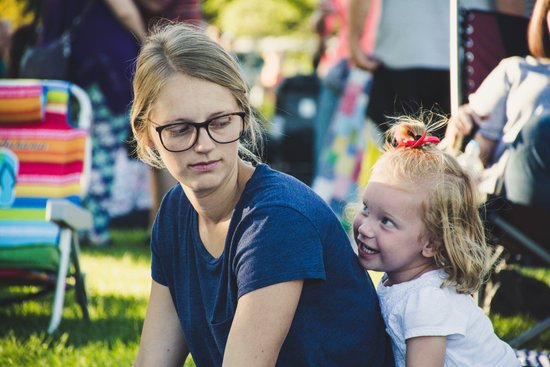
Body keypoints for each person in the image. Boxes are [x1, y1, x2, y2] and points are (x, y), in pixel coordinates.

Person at [130, 23, 393, 366]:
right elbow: (154, 359)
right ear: (147, 134)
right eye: (180, 130)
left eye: (220, 122)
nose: (204, 145)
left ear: (243, 115)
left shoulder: (275, 218)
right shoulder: (176, 212)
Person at [352, 116, 520, 367]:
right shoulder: (402, 279)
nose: (365, 228)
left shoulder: (425, 301)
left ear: (431, 243)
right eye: (366, 208)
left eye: (386, 221)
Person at [445, 0, 550, 207]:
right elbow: (480, 153)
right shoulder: (517, 71)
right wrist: (461, 134)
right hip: (512, 198)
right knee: (537, 131)